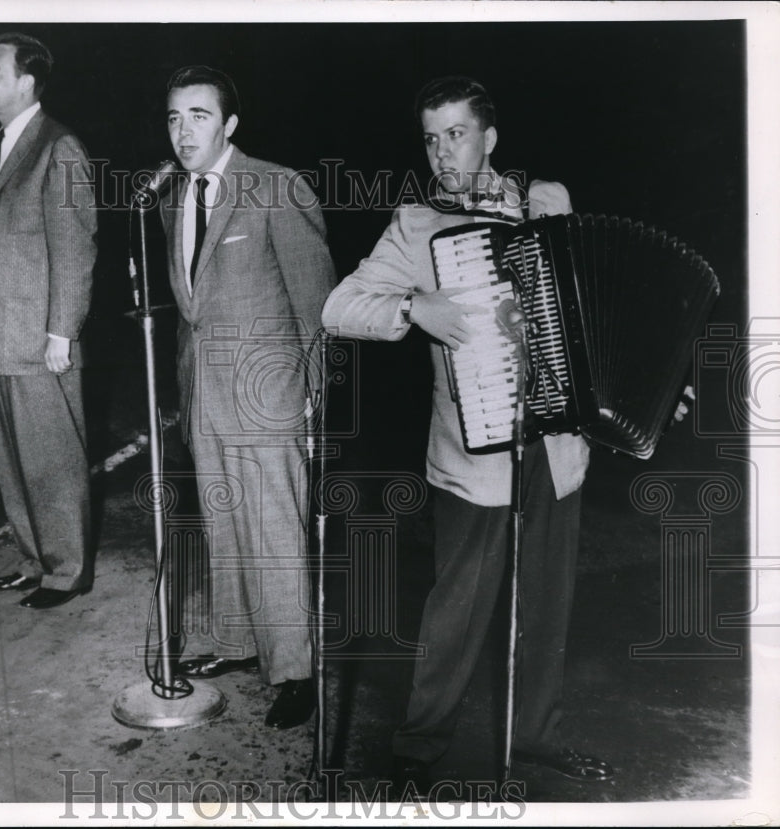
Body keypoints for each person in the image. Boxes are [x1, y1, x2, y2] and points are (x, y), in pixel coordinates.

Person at [321, 76, 614, 788]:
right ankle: (419, 748)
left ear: (490, 136)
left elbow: (593, 299)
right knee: (457, 609)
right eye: (431, 136)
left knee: (546, 603)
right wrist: (414, 306)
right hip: (474, 454)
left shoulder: (545, 204)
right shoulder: (419, 224)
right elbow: (338, 305)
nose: (443, 151)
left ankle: (536, 736)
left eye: (456, 133)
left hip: (556, 445)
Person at [159, 66, 337, 729]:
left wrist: (313, 396)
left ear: (229, 124)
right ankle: (237, 643)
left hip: (269, 398)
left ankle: (295, 671)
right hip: (206, 396)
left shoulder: (276, 185)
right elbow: (191, 310)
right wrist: (182, 388)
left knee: (276, 540)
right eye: (174, 118)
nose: (184, 131)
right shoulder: (172, 197)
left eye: (199, 116)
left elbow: (316, 301)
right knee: (224, 531)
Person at [0, 32, 97, 610]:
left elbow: (75, 244)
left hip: (39, 340)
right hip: (2, 338)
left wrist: (61, 331)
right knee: (14, 461)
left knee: (51, 460)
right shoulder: (5, 144)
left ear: (26, 81)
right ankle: (34, 557)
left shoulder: (59, 145)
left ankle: (67, 569)